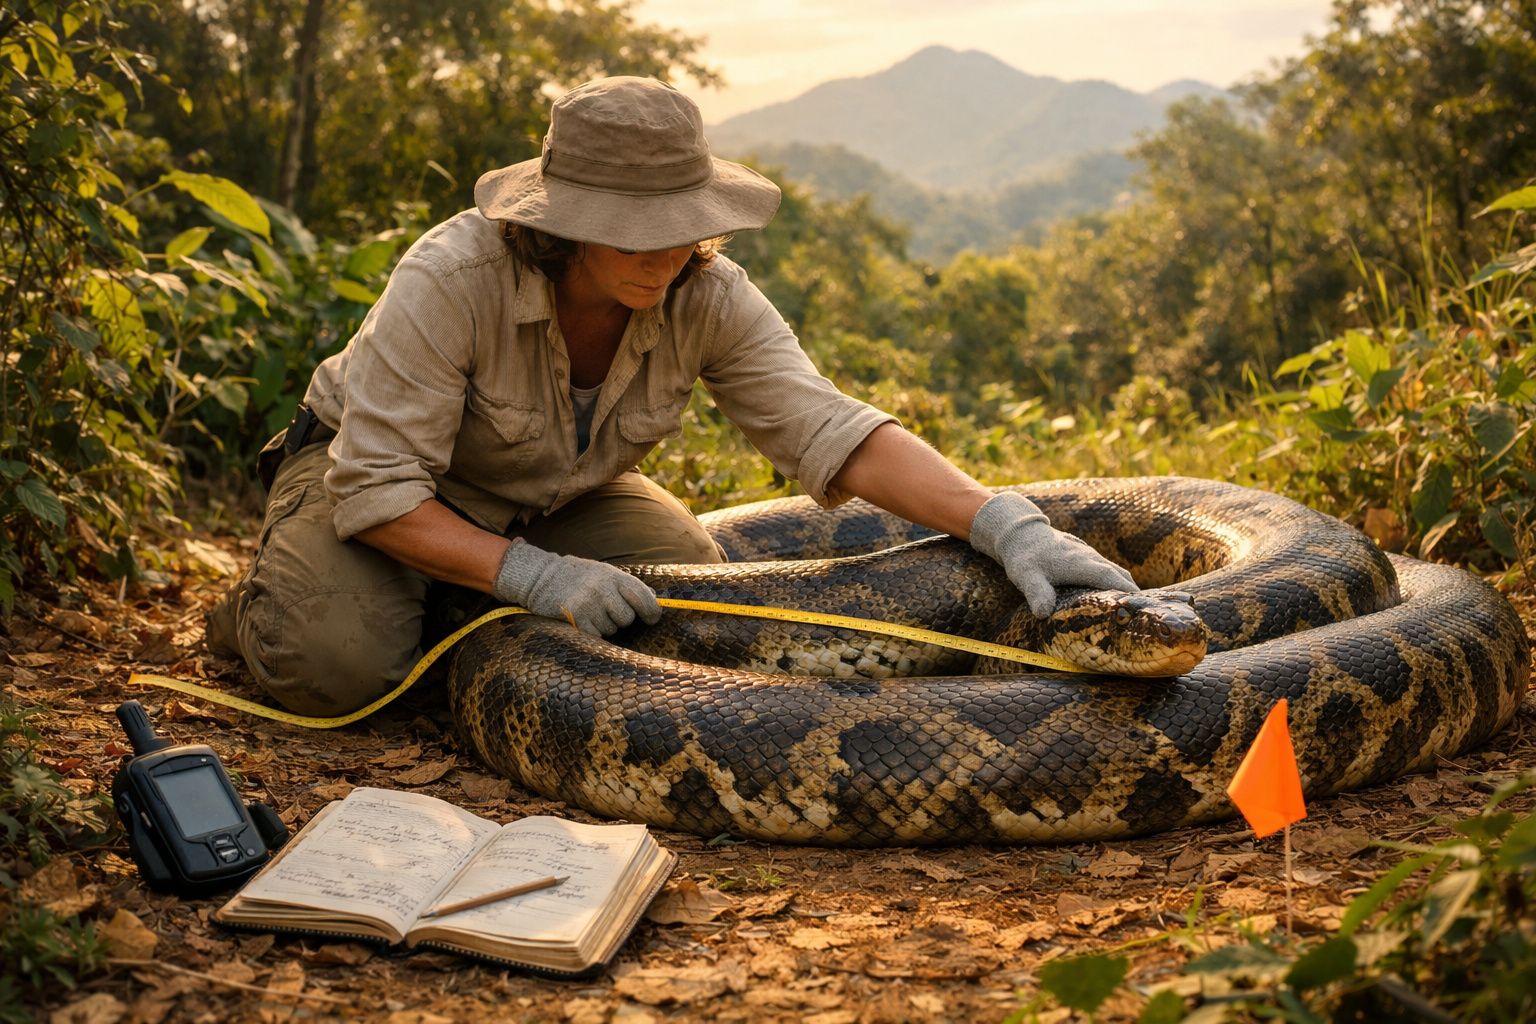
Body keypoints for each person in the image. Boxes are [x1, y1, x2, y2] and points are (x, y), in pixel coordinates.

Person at [205, 76, 1137, 716]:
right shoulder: (455, 276)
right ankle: (275, 603)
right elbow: (376, 490)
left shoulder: (710, 294)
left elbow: (828, 427)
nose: (660, 252)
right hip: (375, 488)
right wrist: (536, 578)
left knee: (692, 598)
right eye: (628, 232)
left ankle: (444, 601)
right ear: (563, 224)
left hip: (549, 495)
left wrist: (1008, 525)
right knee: (339, 672)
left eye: (676, 228)